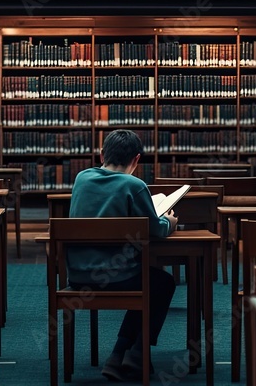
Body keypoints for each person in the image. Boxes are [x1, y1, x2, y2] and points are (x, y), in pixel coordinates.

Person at [67, 129, 178, 381]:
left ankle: (121, 355)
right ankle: (135, 352)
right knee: (161, 282)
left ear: (101, 154)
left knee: (147, 282)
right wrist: (169, 221)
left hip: (79, 276)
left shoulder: (81, 178)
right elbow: (156, 229)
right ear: (137, 160)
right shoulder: (135, 185)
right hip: (117, 277)